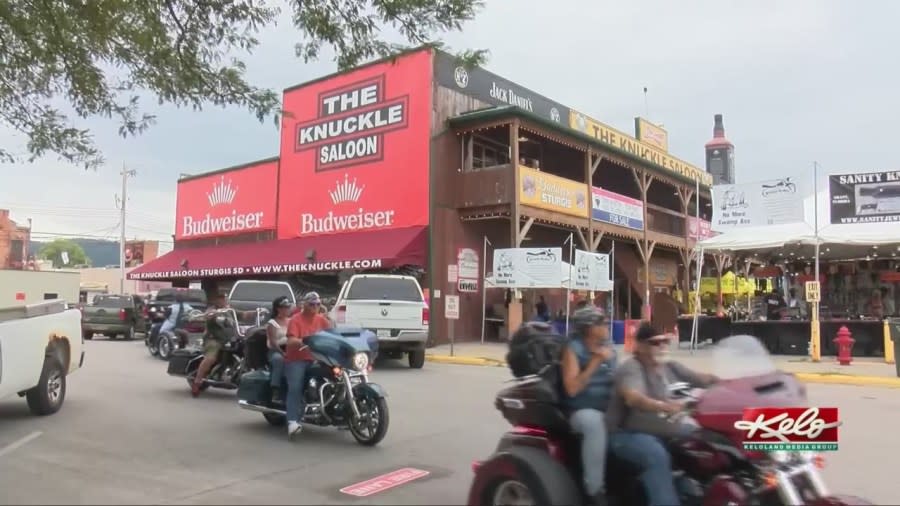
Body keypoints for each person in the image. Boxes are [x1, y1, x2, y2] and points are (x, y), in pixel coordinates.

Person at [605, 322, 717, 506]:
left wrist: (735, 382)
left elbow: (701, 378)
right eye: (655, 343)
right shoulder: (632, 367)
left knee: (709, 440)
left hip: (665, 429)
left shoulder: (669, 365)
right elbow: (633, 397)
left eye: (665, 341)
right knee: (655, 455)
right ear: (640, 346)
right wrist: (663, 406)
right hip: (626, 433)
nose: (662, 346)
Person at [560, 307, 616, 506]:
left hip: (609, 407)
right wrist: (595, 362)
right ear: (588, 328)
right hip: (580, 411)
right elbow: (572, 388)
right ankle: (594, 490)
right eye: (600, 322)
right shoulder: (574, 349)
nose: (606, 325)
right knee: (594, 422)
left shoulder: (608, 346)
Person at [284, 291, 332, 439]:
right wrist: (305, 341)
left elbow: (332, 336)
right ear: (304, 305)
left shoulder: (322, 320)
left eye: (318, 304)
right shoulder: (295, 320)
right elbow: (291, 341)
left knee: (338, 376)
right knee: (296, 388)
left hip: (318, 358)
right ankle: (292, 421)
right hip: (297, 359)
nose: (315, 307)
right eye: (312, 304)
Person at [191, 292, 256, 397]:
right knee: (211, 358)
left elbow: (243, 314)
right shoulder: (212, 310)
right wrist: (213, 316)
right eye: (221, 298)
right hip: (213, 340)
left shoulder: (229, 310)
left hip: (229, 339)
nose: (223, 300)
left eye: (224, 298)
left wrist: (257, 312)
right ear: (215, 300)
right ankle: (197, 381)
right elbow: (207, 316)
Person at [266, 296, 293, 403]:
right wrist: (283, 353)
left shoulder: (291, 321)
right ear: (278, 309)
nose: (288, 309)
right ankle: (275, 391)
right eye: (285, 307)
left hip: (291, 348)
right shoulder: (272, 323)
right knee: (279, 360)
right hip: (276, 350)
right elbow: (273, 342)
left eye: (288, 307)